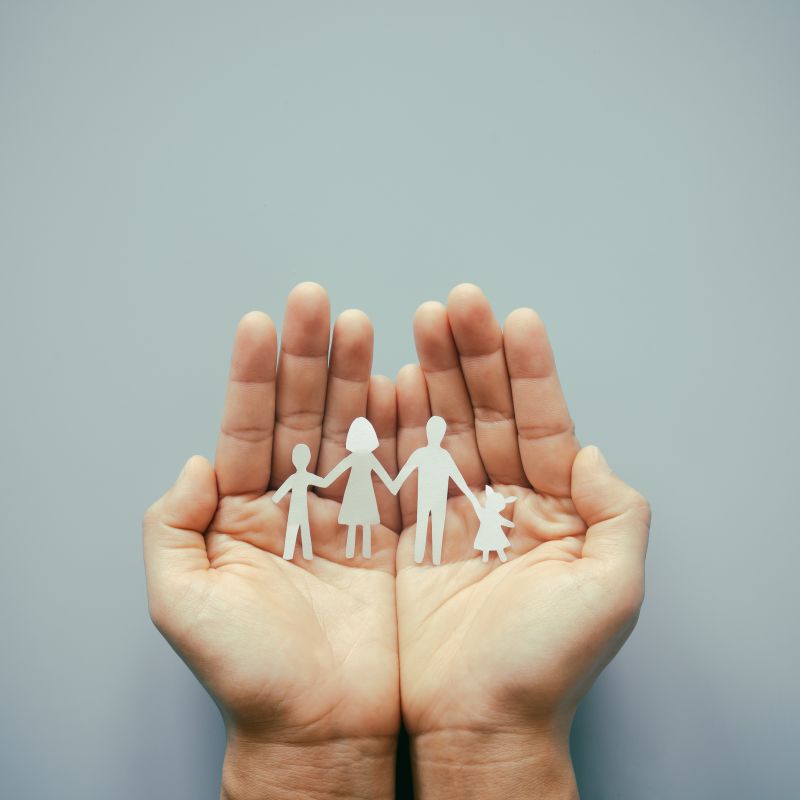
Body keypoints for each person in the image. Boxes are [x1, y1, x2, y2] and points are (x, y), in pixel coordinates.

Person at [143, 282, 651, 799]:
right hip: (387, 503)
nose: (432, 439)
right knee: (408, 529)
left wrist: (499, 739)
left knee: (400, 530)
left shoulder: (436, 456)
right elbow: (384, 471)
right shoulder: (398, 458)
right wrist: (298, 750)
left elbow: (442, 476)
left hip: (418, 503)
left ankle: (415, 551)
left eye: (434, 435)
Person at [390, 415, 477, 565]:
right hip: (429, 496)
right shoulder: (437, 455)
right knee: (428, 525)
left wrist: (393, 485)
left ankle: (430, 558)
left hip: (435, 497)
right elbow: (404, 473)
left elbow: (458, 479)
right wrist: (394, 485)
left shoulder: (433, 455)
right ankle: (424, 557)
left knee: (430, 525)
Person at [321, 416, 394, 558]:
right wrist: (323, 481)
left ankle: (362, 551)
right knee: (356, 522)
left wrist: (393, 486)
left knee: (363, 522)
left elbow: (383, 474)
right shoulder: (363, 457)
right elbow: (336, 472)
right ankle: (353, 551)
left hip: (361, 491)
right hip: (357, 491)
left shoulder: (364, 458)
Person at [271, 443, 329, 560]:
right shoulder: (304, 477)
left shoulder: (295, 477)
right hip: (298, 508)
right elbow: (324, 483)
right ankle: (301, 554)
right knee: (302, 530)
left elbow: (278, 495)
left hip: (297, 508)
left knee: (295, 529)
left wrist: (276, 498)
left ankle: (292, 554)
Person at [472, 485, 516, 562]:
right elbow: (502, 521)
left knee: (496, 546)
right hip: (490, 532)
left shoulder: (492, 514)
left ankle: (499, 557)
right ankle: (486, 558)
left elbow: (502, 521)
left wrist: (509, 523)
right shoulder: (486, 513)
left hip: (491, 532)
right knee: (488, 546)